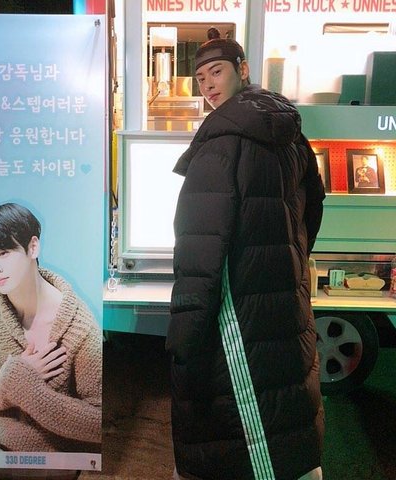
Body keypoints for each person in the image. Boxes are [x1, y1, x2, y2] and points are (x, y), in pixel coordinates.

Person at [166, 33, 326, 480]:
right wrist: (285, 263)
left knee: (248, 427)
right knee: (284, 401)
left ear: (243, 70)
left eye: (216, 72)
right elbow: (313, 208)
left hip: (237, 307)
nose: (208, 86)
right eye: (200, 78)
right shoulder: (292, 133)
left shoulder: (221, 144)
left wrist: (185, 335)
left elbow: (200, 245)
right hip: (283, 295)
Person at [0, 203, 102, 476]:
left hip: (50, 458)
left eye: (4, 253)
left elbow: (96, 422)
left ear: (33, 247)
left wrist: (26, 387)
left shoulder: (80, 327)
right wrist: (6, 382)